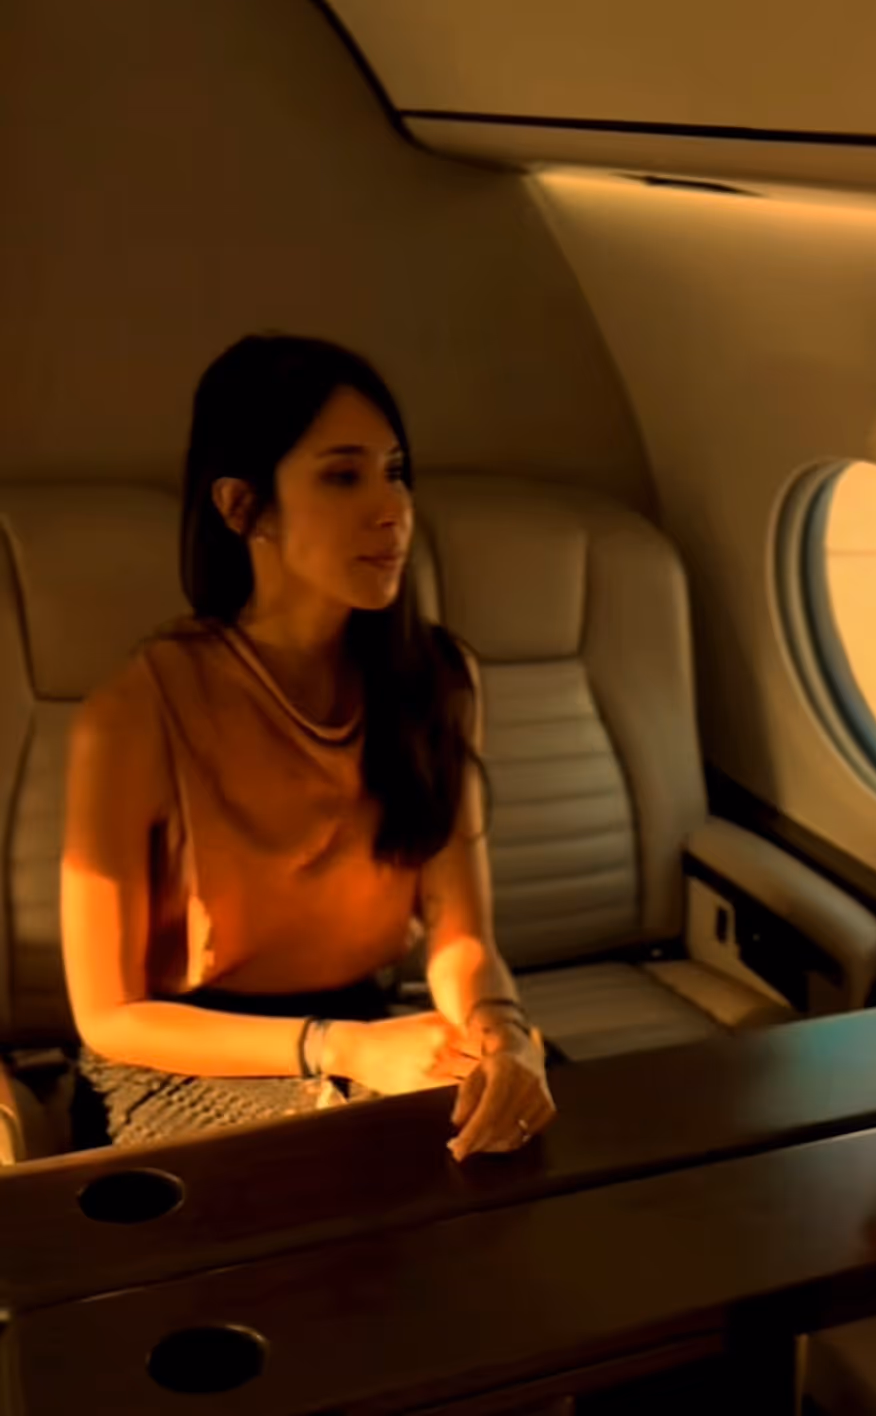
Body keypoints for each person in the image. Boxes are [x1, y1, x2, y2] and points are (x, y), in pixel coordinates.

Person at [60, 332, 556, 1160]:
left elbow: (461, 937)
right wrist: (340, 1048)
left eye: (396, 471)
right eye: (342, 476)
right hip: (177, 1060)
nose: (392, 508)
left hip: (366, 1026)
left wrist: (504, 1039)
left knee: (518, 1138)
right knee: (350, 1173)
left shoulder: (436, 678)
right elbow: (109, 1017)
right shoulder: (134, 713)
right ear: (242, 508)